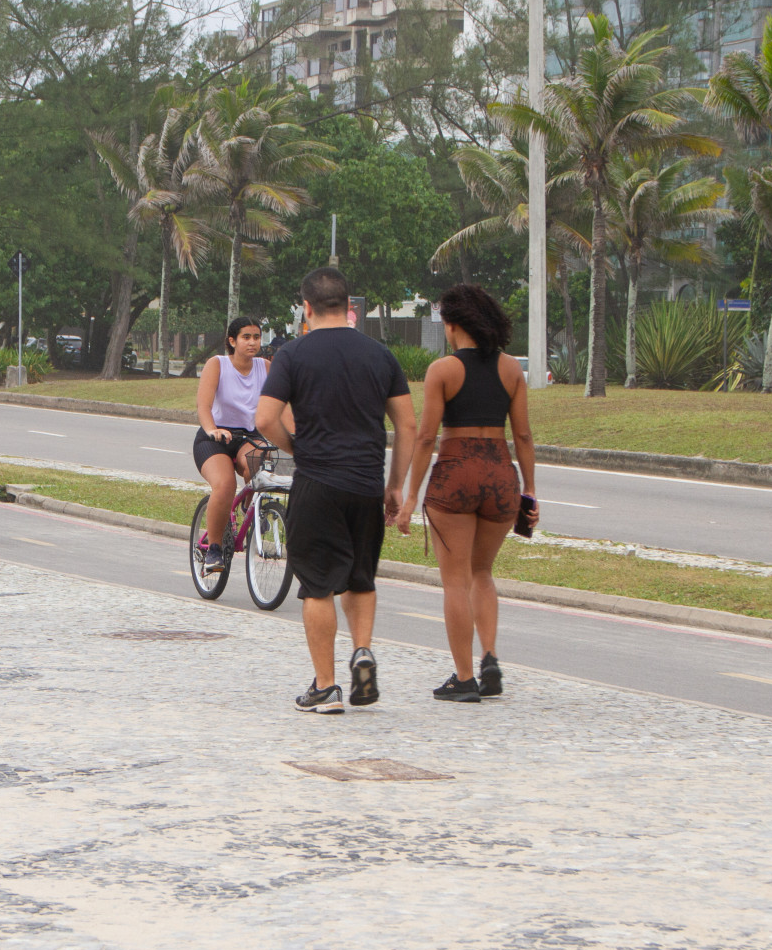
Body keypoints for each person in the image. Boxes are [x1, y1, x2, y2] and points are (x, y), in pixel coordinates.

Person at [256, 267, 416, 714]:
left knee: (318, 585)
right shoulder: (380, 354)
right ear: (349, 307)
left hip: (318, 482)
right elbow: (407, 424)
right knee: (360, 577)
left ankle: (325, 686)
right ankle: (361, 649)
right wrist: (395, 485)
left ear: (305, 308)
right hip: (366, 483)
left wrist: (297, 447)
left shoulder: (293, 354)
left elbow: (265, 419)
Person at [397, 283, 539, 703]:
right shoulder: (512, 368)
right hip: (499, 473)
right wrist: (529, 492)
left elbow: (425, 438)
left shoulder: (443, 370)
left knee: (454, 581)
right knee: (483, 574)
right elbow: (525, 436)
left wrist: (408, 499)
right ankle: (490, 657)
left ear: (452, 324)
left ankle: (463, 677)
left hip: (456, 472)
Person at [193, 315, 277, 574]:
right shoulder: (217, 365)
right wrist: (212, 429)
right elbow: (204, 406)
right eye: (246, 337)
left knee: (260, 467)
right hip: (215, 439)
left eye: (256, 337)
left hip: (248, 437)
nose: (253, 342)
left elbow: (280, 406)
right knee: (225, 484)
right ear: (232, 340)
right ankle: (214, 550)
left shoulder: (265, 367)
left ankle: (253, 509)